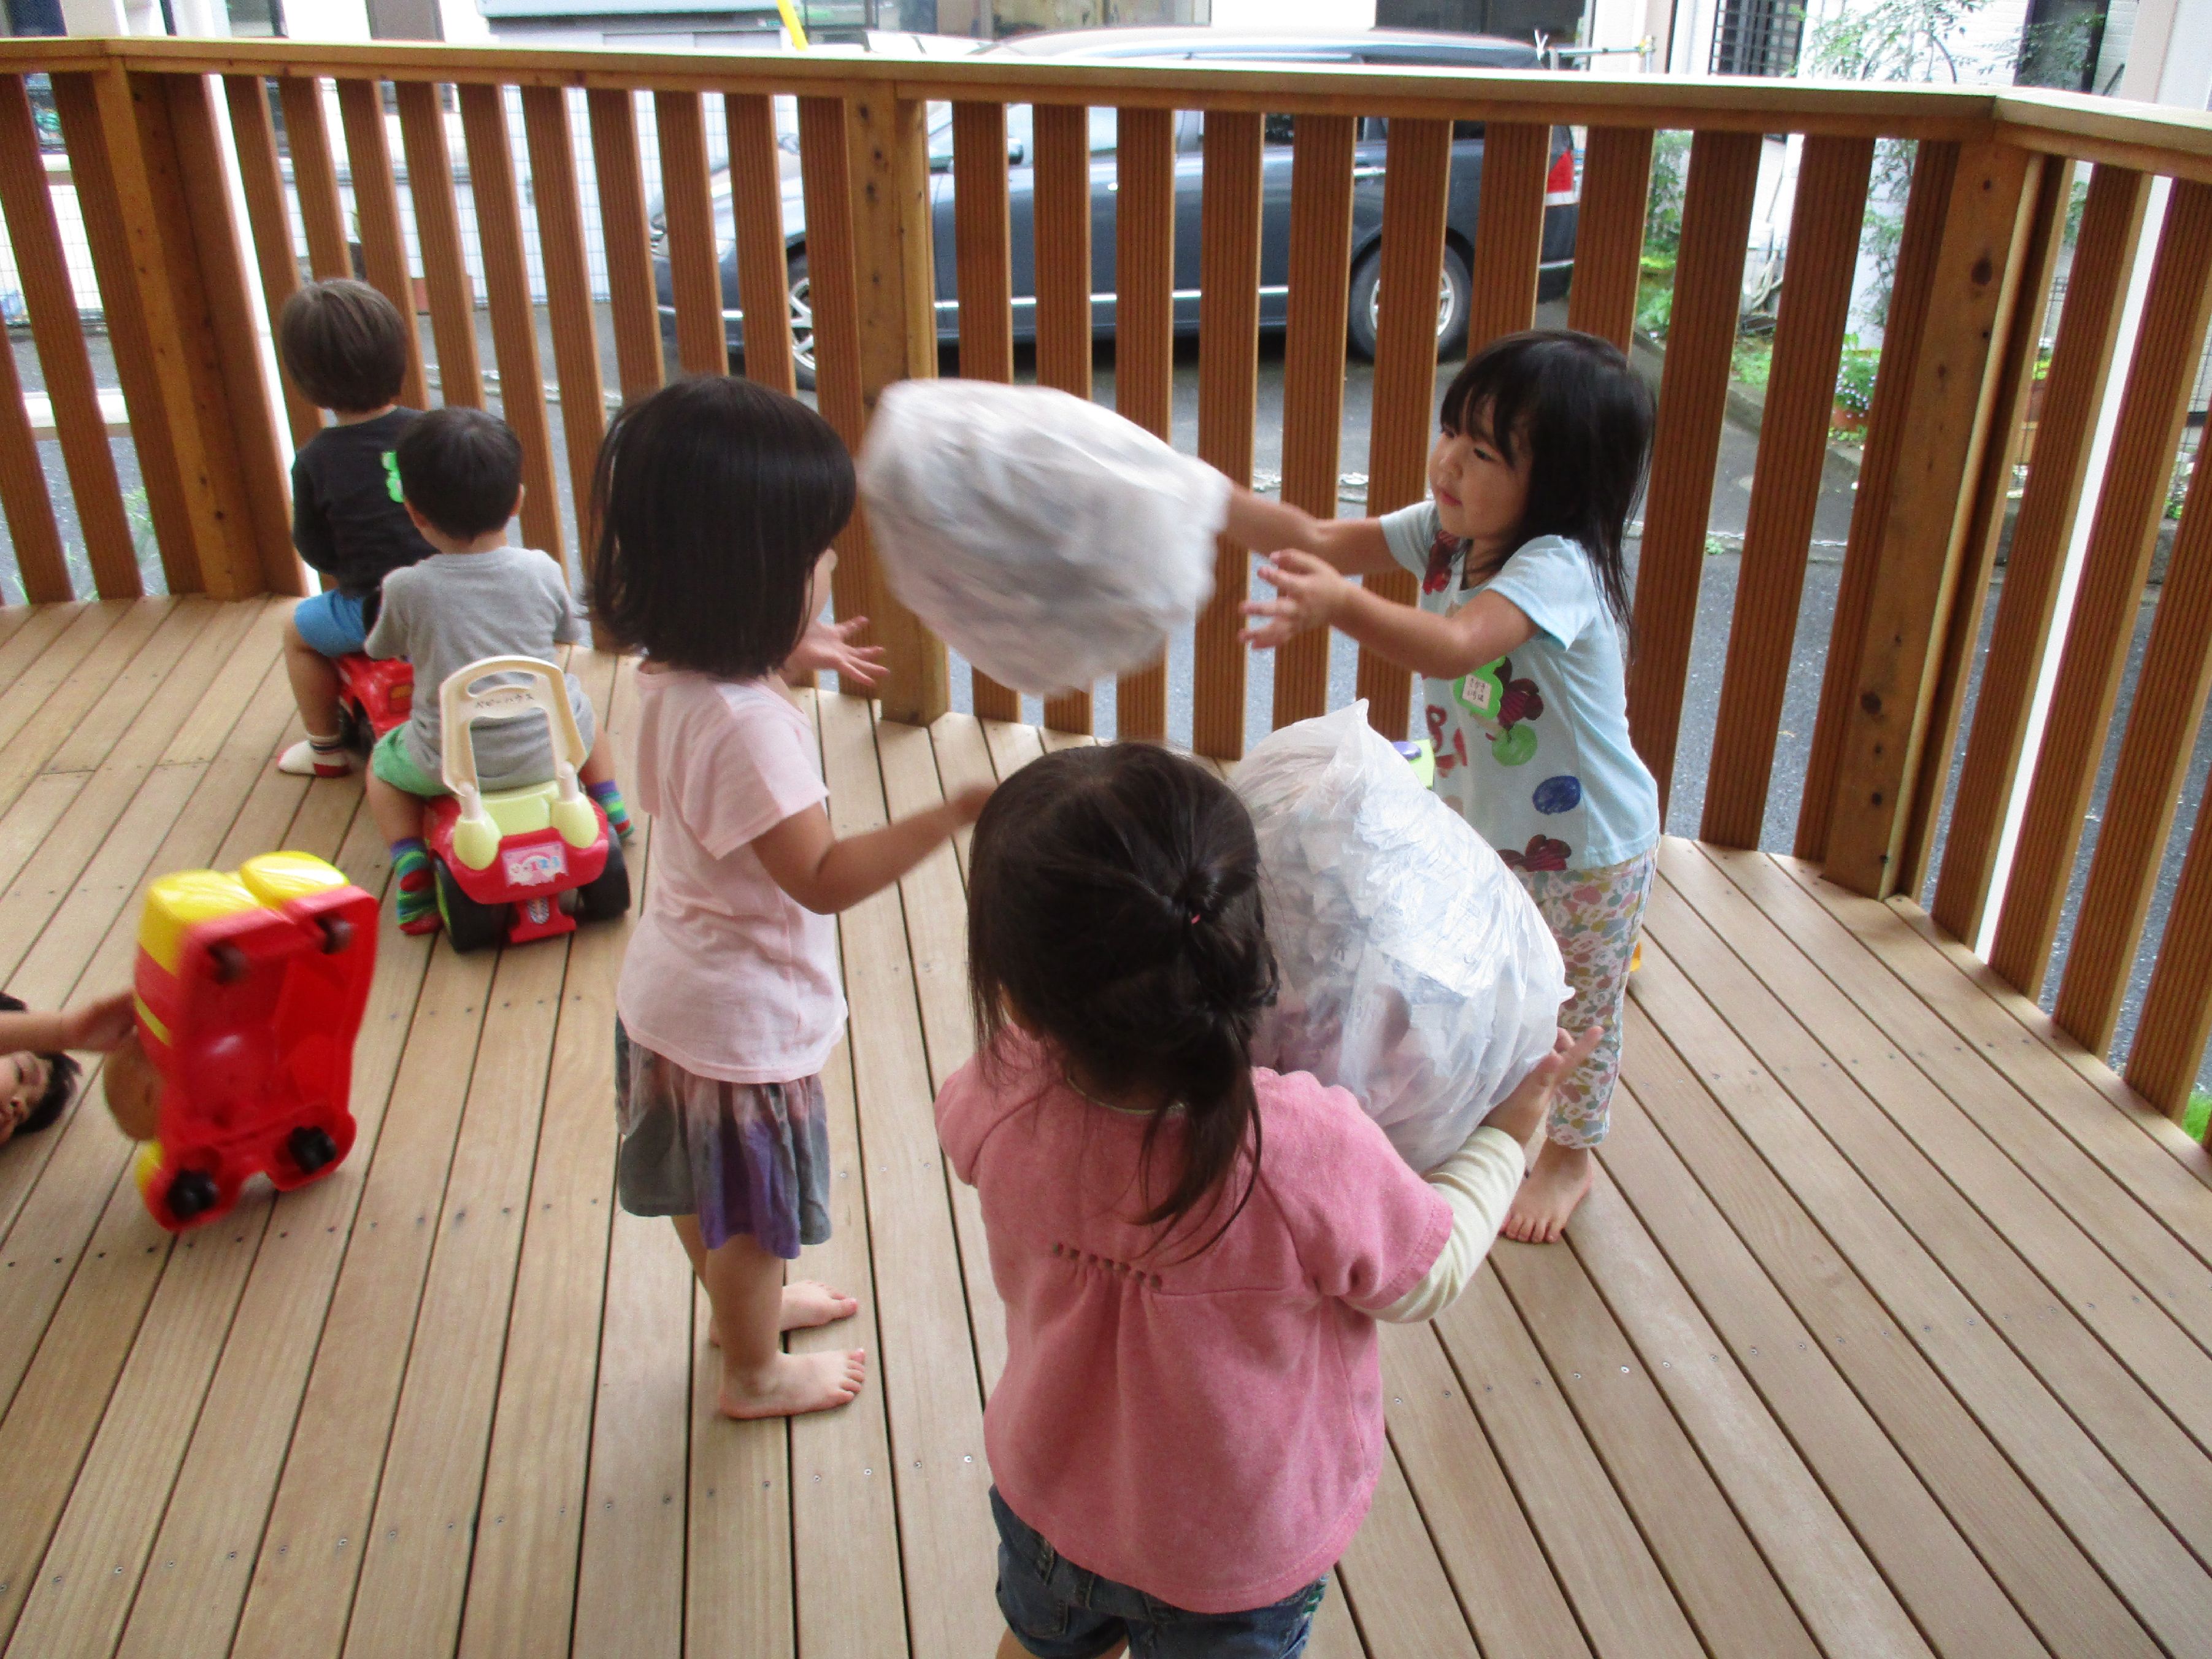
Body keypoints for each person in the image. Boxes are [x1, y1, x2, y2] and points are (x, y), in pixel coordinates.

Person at [939, 743, 1591, 1659]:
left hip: (1049, 1495)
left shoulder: (1002, 1092)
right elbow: (1430, 1271)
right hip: (1235, 1553)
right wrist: (1507, 1135)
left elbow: (969, 1130)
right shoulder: (1300, 1149)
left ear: (1013, 995)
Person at [593, 375, 984, 1420]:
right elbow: (820, 875)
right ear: (749, 576)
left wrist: (786, 647)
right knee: (753, 1221)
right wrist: (948, 814)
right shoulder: (749, 727)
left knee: (702, 1189)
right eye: (815, 554)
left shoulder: (673, 669)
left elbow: (724, 693)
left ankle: (741, 1318)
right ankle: (754, 1370)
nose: (829, 567)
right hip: (742, 1025)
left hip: (669, 996)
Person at [1229, 328, 1659, 1245]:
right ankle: (1494, 1100)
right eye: (1452, 429)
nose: (1449, 461)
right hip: (1484, 822)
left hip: (1587, 847)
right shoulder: (1448, 532)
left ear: (1560, 484)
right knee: (1492, 973)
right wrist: (1209, 503)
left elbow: (1459, 645)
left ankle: (1570, 1154)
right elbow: (1318, 537)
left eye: (1485, 452)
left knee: (1577, 1013)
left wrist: (1340, 604)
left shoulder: (1557, 567)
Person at [361, 406, 634, 936]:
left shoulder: (406, 588)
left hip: (451, 762)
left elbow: (380, 648)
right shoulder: (541, 569)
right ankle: (610, 804)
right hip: (551, 751)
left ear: (414, 512)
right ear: (517, 502)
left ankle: (410, 866)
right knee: (580, 707)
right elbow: (566, 632)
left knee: (382, 767)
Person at [273, 279, 439, 780]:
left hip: (374, 609)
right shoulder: (435, 434)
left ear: (304, 378)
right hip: (452, 593)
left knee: (297, 631)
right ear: (397, 356)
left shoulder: (317, 459)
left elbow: (315, 548)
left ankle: (324, 749)